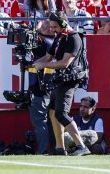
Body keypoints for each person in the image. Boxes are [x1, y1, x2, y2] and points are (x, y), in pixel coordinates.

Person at [34, 11, 91, 156]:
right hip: (59, 79)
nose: (51, 29)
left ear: (64, 24)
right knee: (53, 112)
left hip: (69, 80)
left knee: (61, 113)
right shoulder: (60, 36)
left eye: (54, 26)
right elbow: (48, 56)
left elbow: (65, 63)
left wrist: (44, 66)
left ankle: (81, 146)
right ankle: (60, 149)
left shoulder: (74, 37)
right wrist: (33, 65)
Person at [27, 20, 54, 155]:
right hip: (43, 88)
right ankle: (52, 148)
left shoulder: (47, 43)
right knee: (45, 120)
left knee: (40, 121)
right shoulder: (50, 43)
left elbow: (34, 47)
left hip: (42, 89)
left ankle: (43, 150)